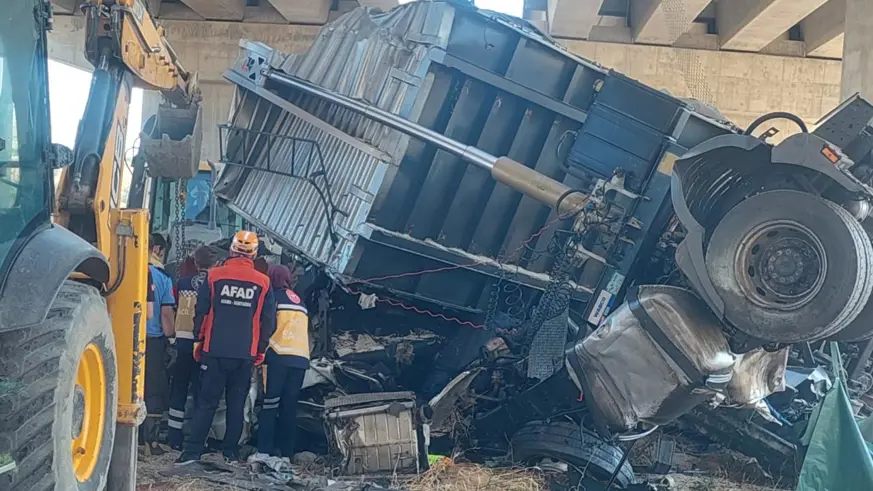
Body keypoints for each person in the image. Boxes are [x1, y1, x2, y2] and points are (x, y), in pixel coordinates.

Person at [177, 231, 276, 464]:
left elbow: (200, 313)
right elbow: (269, 321)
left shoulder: (213, 276)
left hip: (215, 350)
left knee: (207, 402)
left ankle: (192, 452)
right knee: (236, 404)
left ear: (232, 250)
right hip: (245, 354)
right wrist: (260, 350)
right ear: (254, 253)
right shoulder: (263, 282)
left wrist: (198, 341)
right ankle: (230, 452)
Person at [251, 263, 310, 461]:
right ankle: (286, 453)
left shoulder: (273, 298)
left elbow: (267, 325)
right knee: (289, 407)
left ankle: (264, 451)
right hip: (300, 359)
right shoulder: (300, 301)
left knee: (270, 404)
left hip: (277, 356)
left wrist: (258, 351)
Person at [167, 245, 216, 449]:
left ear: (195, 263)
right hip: (203, 343)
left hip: (182, 341)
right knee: (200, 391)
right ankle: (196, 438)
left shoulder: (182, 282)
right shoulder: (215, 284)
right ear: (214, 264)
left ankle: (173, 436)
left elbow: (172, 305)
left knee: (179, 387)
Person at [144, 233, 176, 454]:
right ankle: (149, 442)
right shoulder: (162, 278)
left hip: (121, 339)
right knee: (154, 390)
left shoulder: (120, 269)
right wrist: (172, 336)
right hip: (152, 341)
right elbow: (165, 315)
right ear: (156, 249)